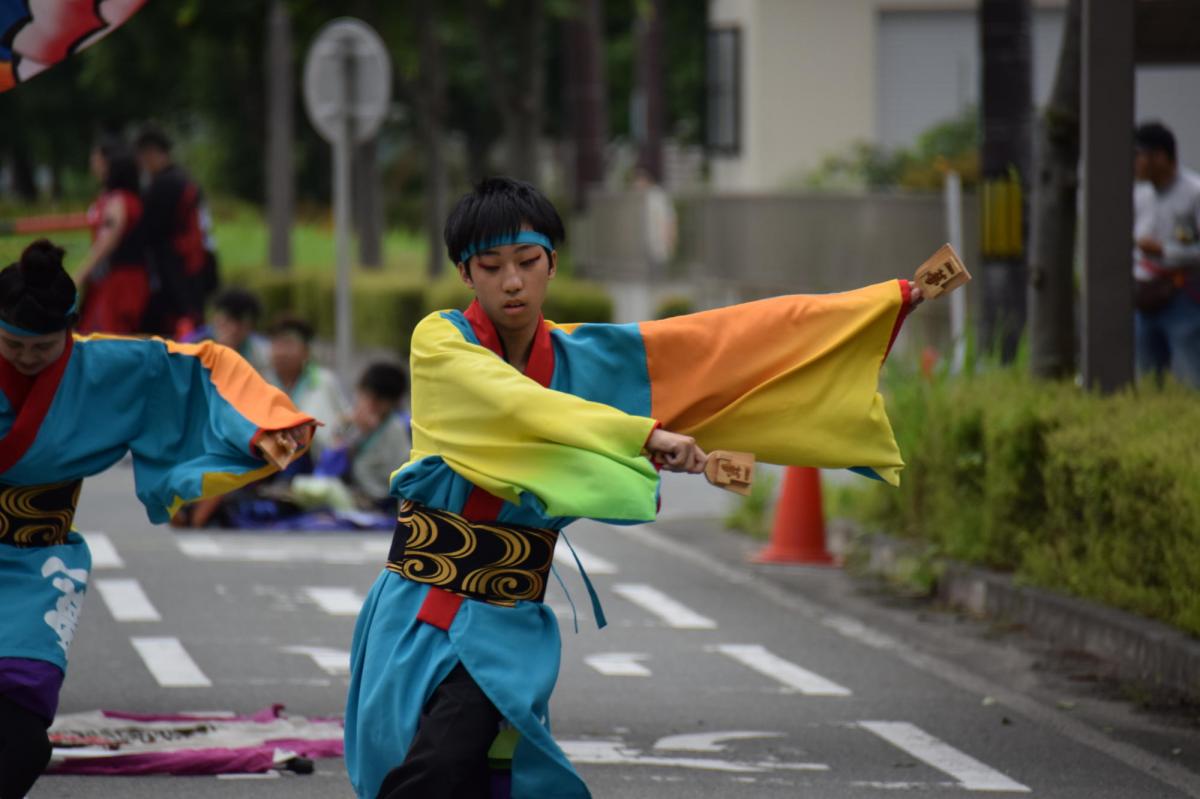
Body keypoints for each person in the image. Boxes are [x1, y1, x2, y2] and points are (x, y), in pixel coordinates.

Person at [343, 177, 924, 799]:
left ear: (552, 264)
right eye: (491, 266)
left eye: (527, 262)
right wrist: (642, 436)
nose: (511, 281)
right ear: (466, 274)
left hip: (503, 624)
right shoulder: (440, 342)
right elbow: (520, 407)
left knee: (451, 771)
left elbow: (724, 345)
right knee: (436, 772)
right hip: (418, 608)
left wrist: (871, 310)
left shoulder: (587, 362)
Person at [0, 239, 314, 799]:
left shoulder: (108, 367)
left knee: (22, 721)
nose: (24, 358)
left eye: (41, 348)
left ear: (69, 332)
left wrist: (265, 425)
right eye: (11, 344)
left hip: (34, 565)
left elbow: (200, 372)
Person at [135, 125, 219, 339]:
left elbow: (150, 232)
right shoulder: (185, 179)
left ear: (152, 152)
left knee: (178, 329)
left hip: (177, 268)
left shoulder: (164, 185)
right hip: (197, 263)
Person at [1133, 121, 1200, 387]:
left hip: (1182, 296)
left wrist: (1164, 251)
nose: (1134, 163)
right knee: (1148, 381)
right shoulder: (1139, 196)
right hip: (1144, 298)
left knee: (1191, 380)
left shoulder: (1194, 192)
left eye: (1138, 155)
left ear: (1160, 157)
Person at [76, 139, 149, 335]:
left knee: (108, 335)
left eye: (97, 159)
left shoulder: (119, 200)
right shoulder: (120, 198)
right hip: (114, 278)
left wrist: (80, 274)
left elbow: (108, 240)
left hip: (119, 280)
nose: (93, 164)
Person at [266, 314, 349, 461]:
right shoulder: (262, 381)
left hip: (315, 461)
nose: (281, 352)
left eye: (289, 345)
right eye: (277, 345)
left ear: (306, 352)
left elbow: (343, 421)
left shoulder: (324, 381)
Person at [342, 362, 411, 510]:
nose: (369, 404)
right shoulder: (349, 422)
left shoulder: (399, 428)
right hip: (354, 500)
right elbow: (329, 467)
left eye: (377, 400)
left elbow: (399, 482)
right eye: (365, 396)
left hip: (382, 506)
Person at [186, 288, 271, 374]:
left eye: (240, 325)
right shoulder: (194, 344)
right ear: (215, 318)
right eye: (228, 321)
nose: (233, 329)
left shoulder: (262, 350)